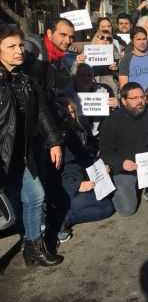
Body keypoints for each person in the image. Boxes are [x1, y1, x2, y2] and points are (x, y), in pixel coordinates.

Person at [0, 24, 64, 266]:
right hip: (2, 157)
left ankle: (33, 248)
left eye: (20, 46)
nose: (19, 51)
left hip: (23, 154)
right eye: (11, 47)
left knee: (35, 196)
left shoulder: (25, 80)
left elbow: (41, 114)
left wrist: (54, 141)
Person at [99, 82, 148, 214]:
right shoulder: (111, 121)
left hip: (147, 165)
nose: (140, 101)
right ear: (123, 100)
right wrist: (121, 163)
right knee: (127, 210)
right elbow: (106, 153)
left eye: (142, 97)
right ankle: (121, 188)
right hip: (125, 168)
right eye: (134, 98)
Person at [57, 98, 114, 243]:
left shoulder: (79, 130)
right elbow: (53, 174)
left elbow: (87, 156)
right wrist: (77, 186)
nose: (71, 116)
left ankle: (66, 216)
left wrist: (101, 167)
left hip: (86, 179)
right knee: (106, 207)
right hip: (66, 189)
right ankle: (60, 220)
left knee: (108, 206)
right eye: (66, 113)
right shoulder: (56, 140)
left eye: (72, 112)